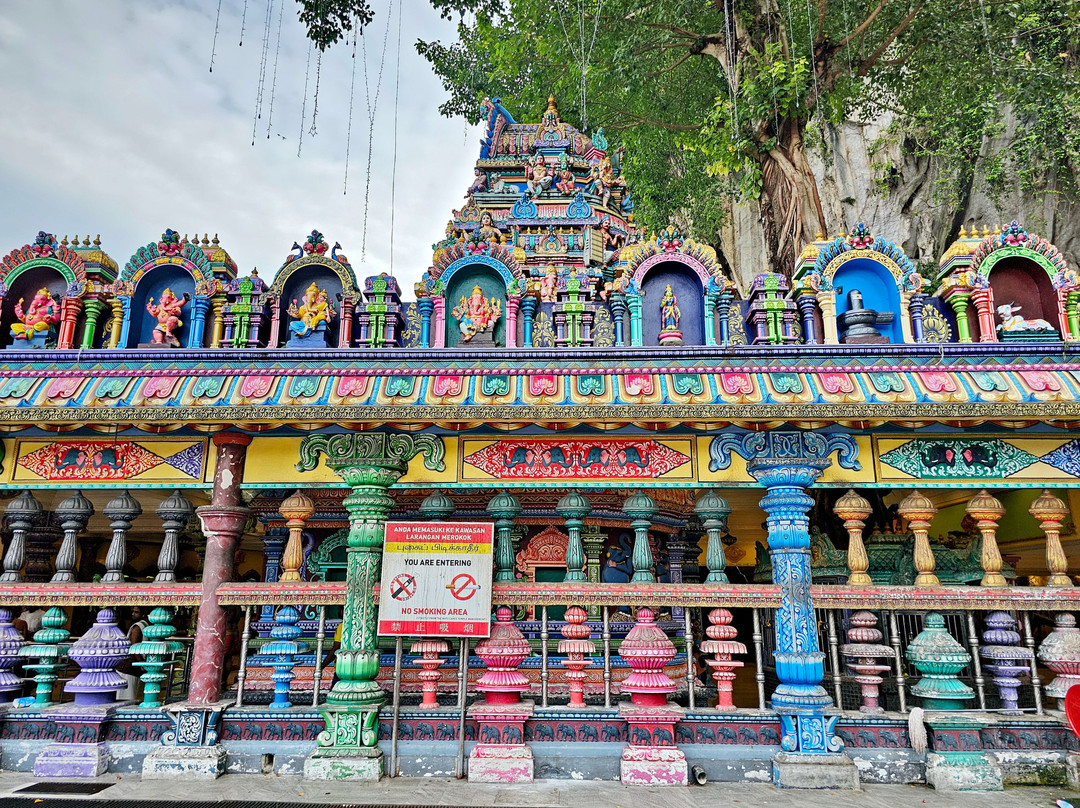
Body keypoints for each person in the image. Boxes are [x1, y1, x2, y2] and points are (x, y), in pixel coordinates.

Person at [118, 606, 149, 701]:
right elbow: (133, 645)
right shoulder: (138, 627)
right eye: (133, 612)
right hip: (128, 667)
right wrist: (141, 662)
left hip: (131, 667)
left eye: (136, 612)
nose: (133, 614)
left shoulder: (141, 626)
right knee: (127, 696)